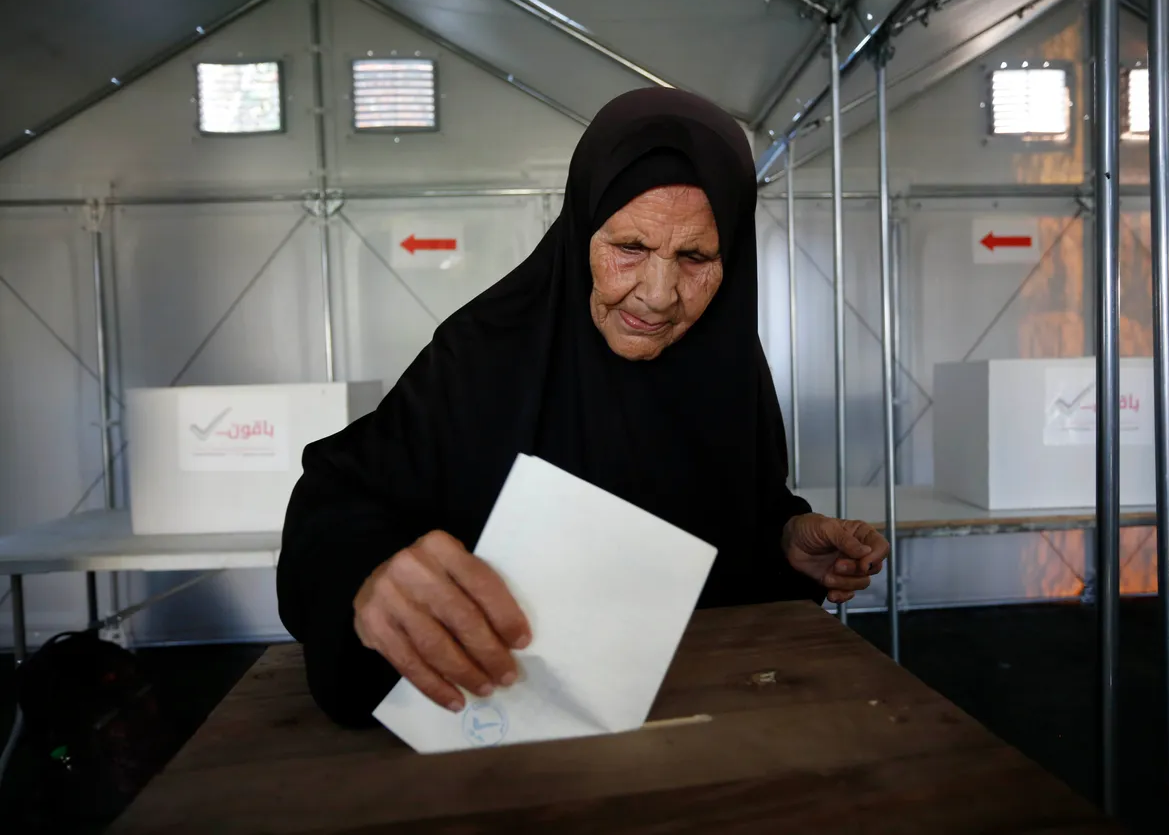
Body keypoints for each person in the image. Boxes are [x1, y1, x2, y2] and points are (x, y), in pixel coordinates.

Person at [277, 87, 890, 727]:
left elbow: (727, 521)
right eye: (629, 247)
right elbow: (339, 498)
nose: (657, 296)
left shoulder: (726, 363)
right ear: (581, 230)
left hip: (699, 725)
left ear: (730, 258)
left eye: (695, 257)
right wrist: (369, 573)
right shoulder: (482, 354)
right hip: (509, 735)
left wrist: (782, 539)